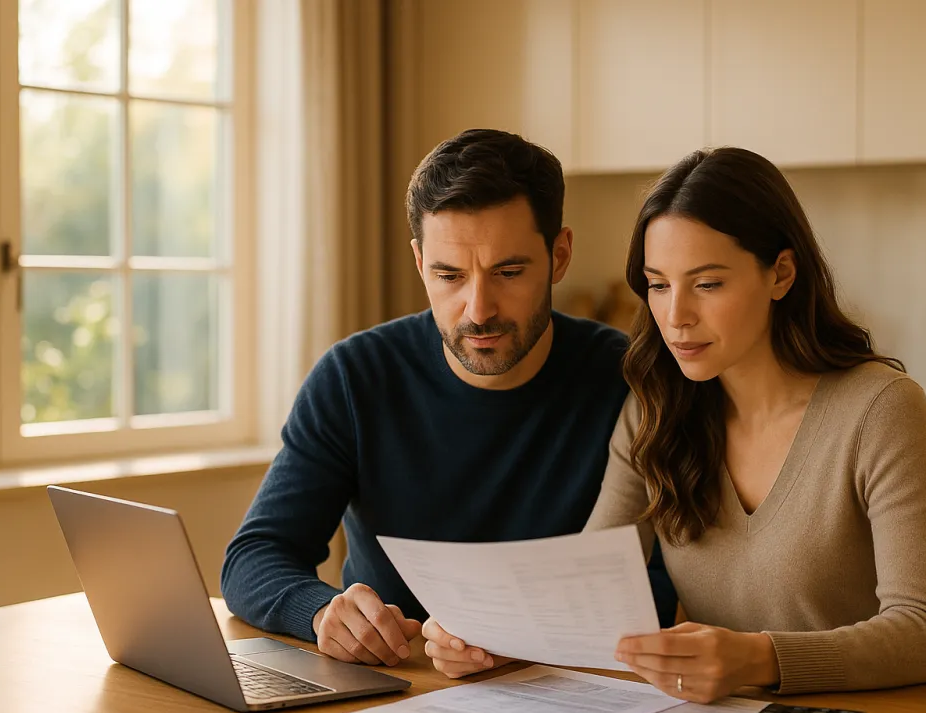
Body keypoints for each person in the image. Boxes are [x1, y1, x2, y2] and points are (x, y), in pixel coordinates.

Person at [221, 129, 675, 676]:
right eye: (449, 275)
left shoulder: (632, 381)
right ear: (419, 262)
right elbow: (254, 556)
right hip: (401, 692)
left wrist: (523, 633)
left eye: (508, 273)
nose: (478, 309)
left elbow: (659, 581)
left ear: (559, 256)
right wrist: (320, 613)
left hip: (571, 692)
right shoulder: (355, 376)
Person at [587, 147, 926, 703]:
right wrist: (495, 637)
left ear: (781, 274)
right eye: (659, 284)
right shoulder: (656, 411)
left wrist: (757, 658)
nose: (675, 317)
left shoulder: (881, 408)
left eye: (708, 284)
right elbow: (586, 581)